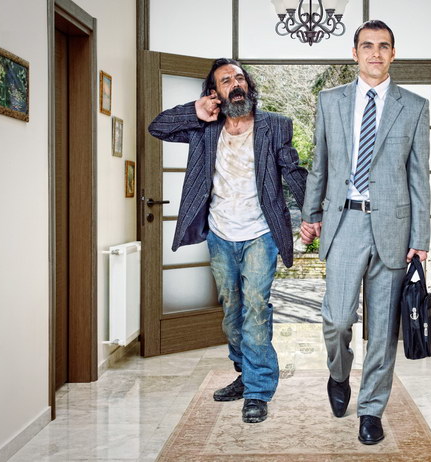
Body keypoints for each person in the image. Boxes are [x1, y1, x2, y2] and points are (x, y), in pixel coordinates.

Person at [149, 58, 307, 424]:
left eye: (239, 77)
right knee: (232, 312)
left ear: (248, 85)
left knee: (255, 308)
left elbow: (292, 171)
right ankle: (245, 371)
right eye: (225, 80)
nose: (235, 84)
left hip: (260, 233)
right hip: (220, 233)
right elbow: (157, 127)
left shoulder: (275, 125)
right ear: (215, 93)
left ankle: (258, 390)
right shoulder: (204, 127)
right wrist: (195, 110)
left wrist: (315, 215)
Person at [300, 20, 431, 444]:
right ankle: (339, 373)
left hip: (393, 227)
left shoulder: (414, 106)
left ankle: (371, 409)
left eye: (384, 46)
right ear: (354, 53)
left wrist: (421, 238)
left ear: (394, 54)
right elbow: (320, 163)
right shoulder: (330, 101)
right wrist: (310, 214)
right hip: (345, 223)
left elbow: (419, 178)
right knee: (338, 319)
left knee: (383, 329)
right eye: (368, 46)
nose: (376, 53)